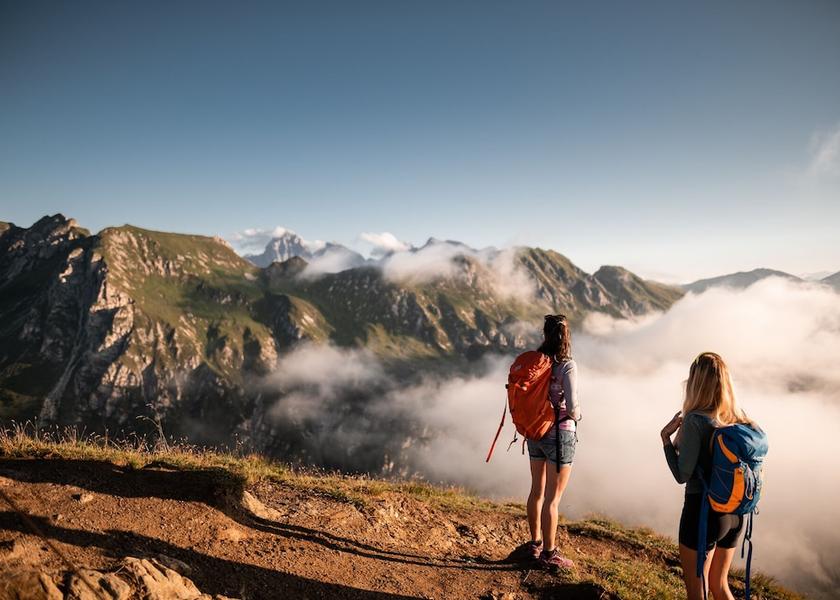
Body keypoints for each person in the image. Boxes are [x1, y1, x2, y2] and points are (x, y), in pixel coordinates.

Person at [661, 352, 756, 600]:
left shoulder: (695, 421)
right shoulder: (737, 419)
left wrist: (665, 440)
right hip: (735, 515)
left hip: (702, 514)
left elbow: (682, 475)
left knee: (697, 593)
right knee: (719, 585)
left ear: (696, 384)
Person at [525, 314, 580, 569]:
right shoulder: (567, 365)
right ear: (566, 336)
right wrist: (579, 414)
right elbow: (572, 406)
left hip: (535, 431)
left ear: (545, 334)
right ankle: (550, 553)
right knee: (553, 499)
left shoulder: (537, 363)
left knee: (536, 491)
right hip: (559, 434)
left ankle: (534, 544)